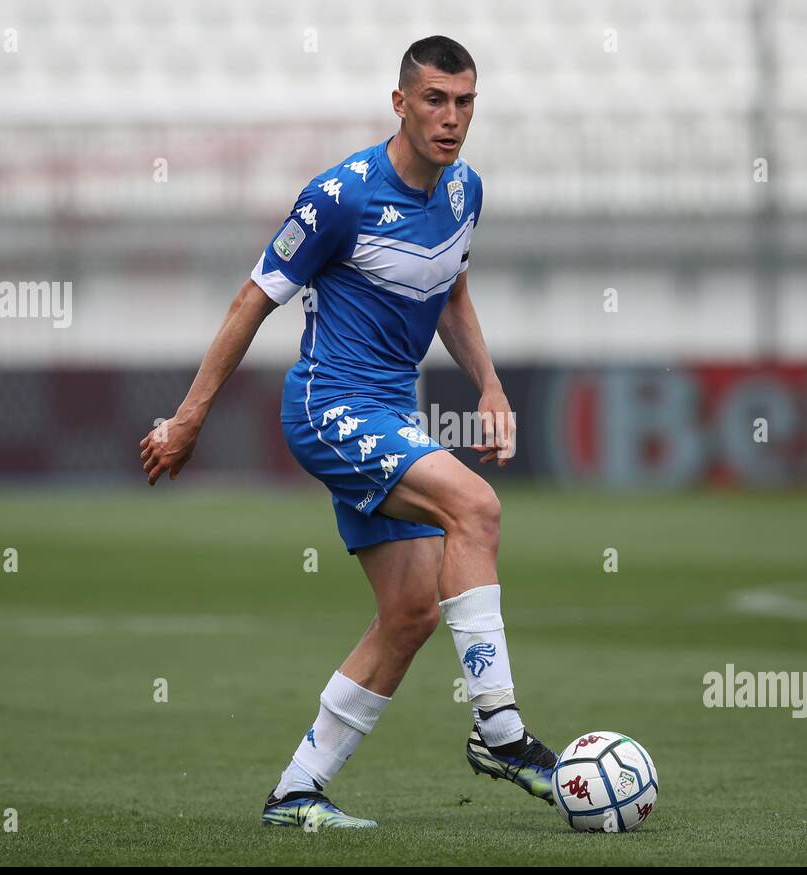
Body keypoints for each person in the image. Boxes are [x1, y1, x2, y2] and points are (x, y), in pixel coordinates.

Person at [139, 36, 556, 829]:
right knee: (477, 508)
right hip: (330, 407)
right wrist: (189, 418)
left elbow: (452, 290)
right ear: (399, 103)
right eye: (435, 99)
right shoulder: (340, 196)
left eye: (465, 102)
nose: (452, 117)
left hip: (389, 414)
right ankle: (500, 731)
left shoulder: (464, 192)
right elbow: (251, 300)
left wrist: (491, 385)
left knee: (410, 614)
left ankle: (296, 791)